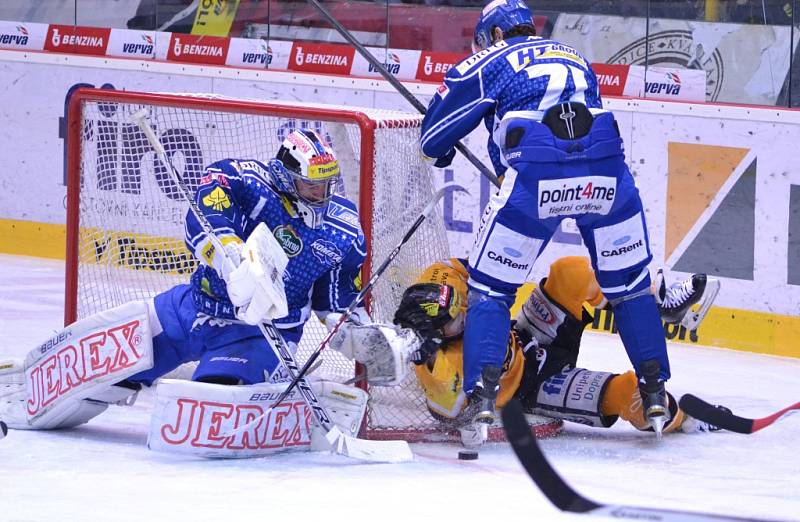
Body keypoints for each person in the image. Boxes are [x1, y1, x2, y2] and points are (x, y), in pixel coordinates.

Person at [0, 129, 372, 455]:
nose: (320, 194)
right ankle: (37, 386)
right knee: (104, 376)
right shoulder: (243, 180)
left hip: (258, 334)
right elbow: (207, 214)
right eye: (311, 185)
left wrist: (361, 335)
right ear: (286, 176)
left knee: (211, 398)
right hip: (193, 308)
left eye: (327, 185)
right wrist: (230, 255)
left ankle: (276, 393)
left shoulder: (343, 229)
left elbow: (335, 301)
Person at [419, 0, 674, 435]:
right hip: (608, 177)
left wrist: (444, 148)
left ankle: (482, 395)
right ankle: (653, 390)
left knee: (491, 290)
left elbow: (432, 137)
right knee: (629, 286)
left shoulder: (489, 60)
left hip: (536, 180)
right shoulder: (574, 56)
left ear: (494, 34)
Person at [393, 256, 722, 446]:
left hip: (524, 335)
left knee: (569, 272)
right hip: (533, 388)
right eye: (454, 323)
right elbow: (452, 413)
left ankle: (654, 306)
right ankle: (688, 419)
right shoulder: (441, 368)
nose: (465, 315)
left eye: (461, 307)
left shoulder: (441, 284)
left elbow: (472, 268)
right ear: (434, 337)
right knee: (631, 394)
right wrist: (428, 358)